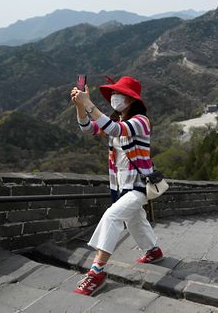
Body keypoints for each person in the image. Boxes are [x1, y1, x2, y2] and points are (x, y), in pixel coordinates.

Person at [70, 76, 163, 296]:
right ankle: (154, 250)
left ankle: (97, 271)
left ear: (131, 99)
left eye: (118, 94)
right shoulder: (116, 120)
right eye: (112, 94)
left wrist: (89, 103)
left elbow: (115, 130)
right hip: (122, 186)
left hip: (140, 185)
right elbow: (86, 127)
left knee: (112, 216)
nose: (114, 97)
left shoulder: (141, 121)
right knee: (134, 219)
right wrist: (80, 106)